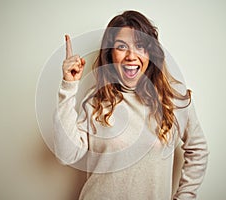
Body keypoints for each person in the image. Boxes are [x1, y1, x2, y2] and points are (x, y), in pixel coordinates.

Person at [54, 10, 209, 200]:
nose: (131, 56)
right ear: (110, 55)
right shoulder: (95, 101)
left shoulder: (173, 99)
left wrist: (185, 196)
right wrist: (68, 86)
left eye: (140, 46)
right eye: (121, 46)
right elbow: (66, 155)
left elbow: (198, 149)